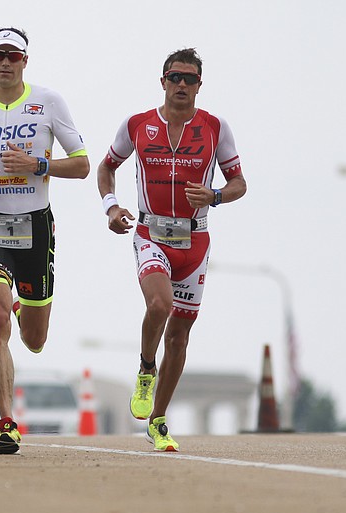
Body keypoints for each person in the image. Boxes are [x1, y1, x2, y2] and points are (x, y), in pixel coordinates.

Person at [0, 26, 89, 454]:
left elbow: (81, 165)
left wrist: (36, 163)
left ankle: (27, 304)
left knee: (35, 340)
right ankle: (7, 422)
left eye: (13, 55)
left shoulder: (49, 102)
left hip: (36, 226)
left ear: (25, 61)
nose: (6, 62)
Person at [97, 48, 247, 452]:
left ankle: (158, 420)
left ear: (200, 85)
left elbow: (239, 184)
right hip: (151, 233)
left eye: (190, 79)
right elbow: (107, 166)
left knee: (179, 337)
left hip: (195, 240)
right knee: (159, 306)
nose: (182, 85)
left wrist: (214, 195)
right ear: (162, 81)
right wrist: (111, 207)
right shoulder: (137, 124)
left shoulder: (215, 127)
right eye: (175, 77)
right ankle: (147, 368)